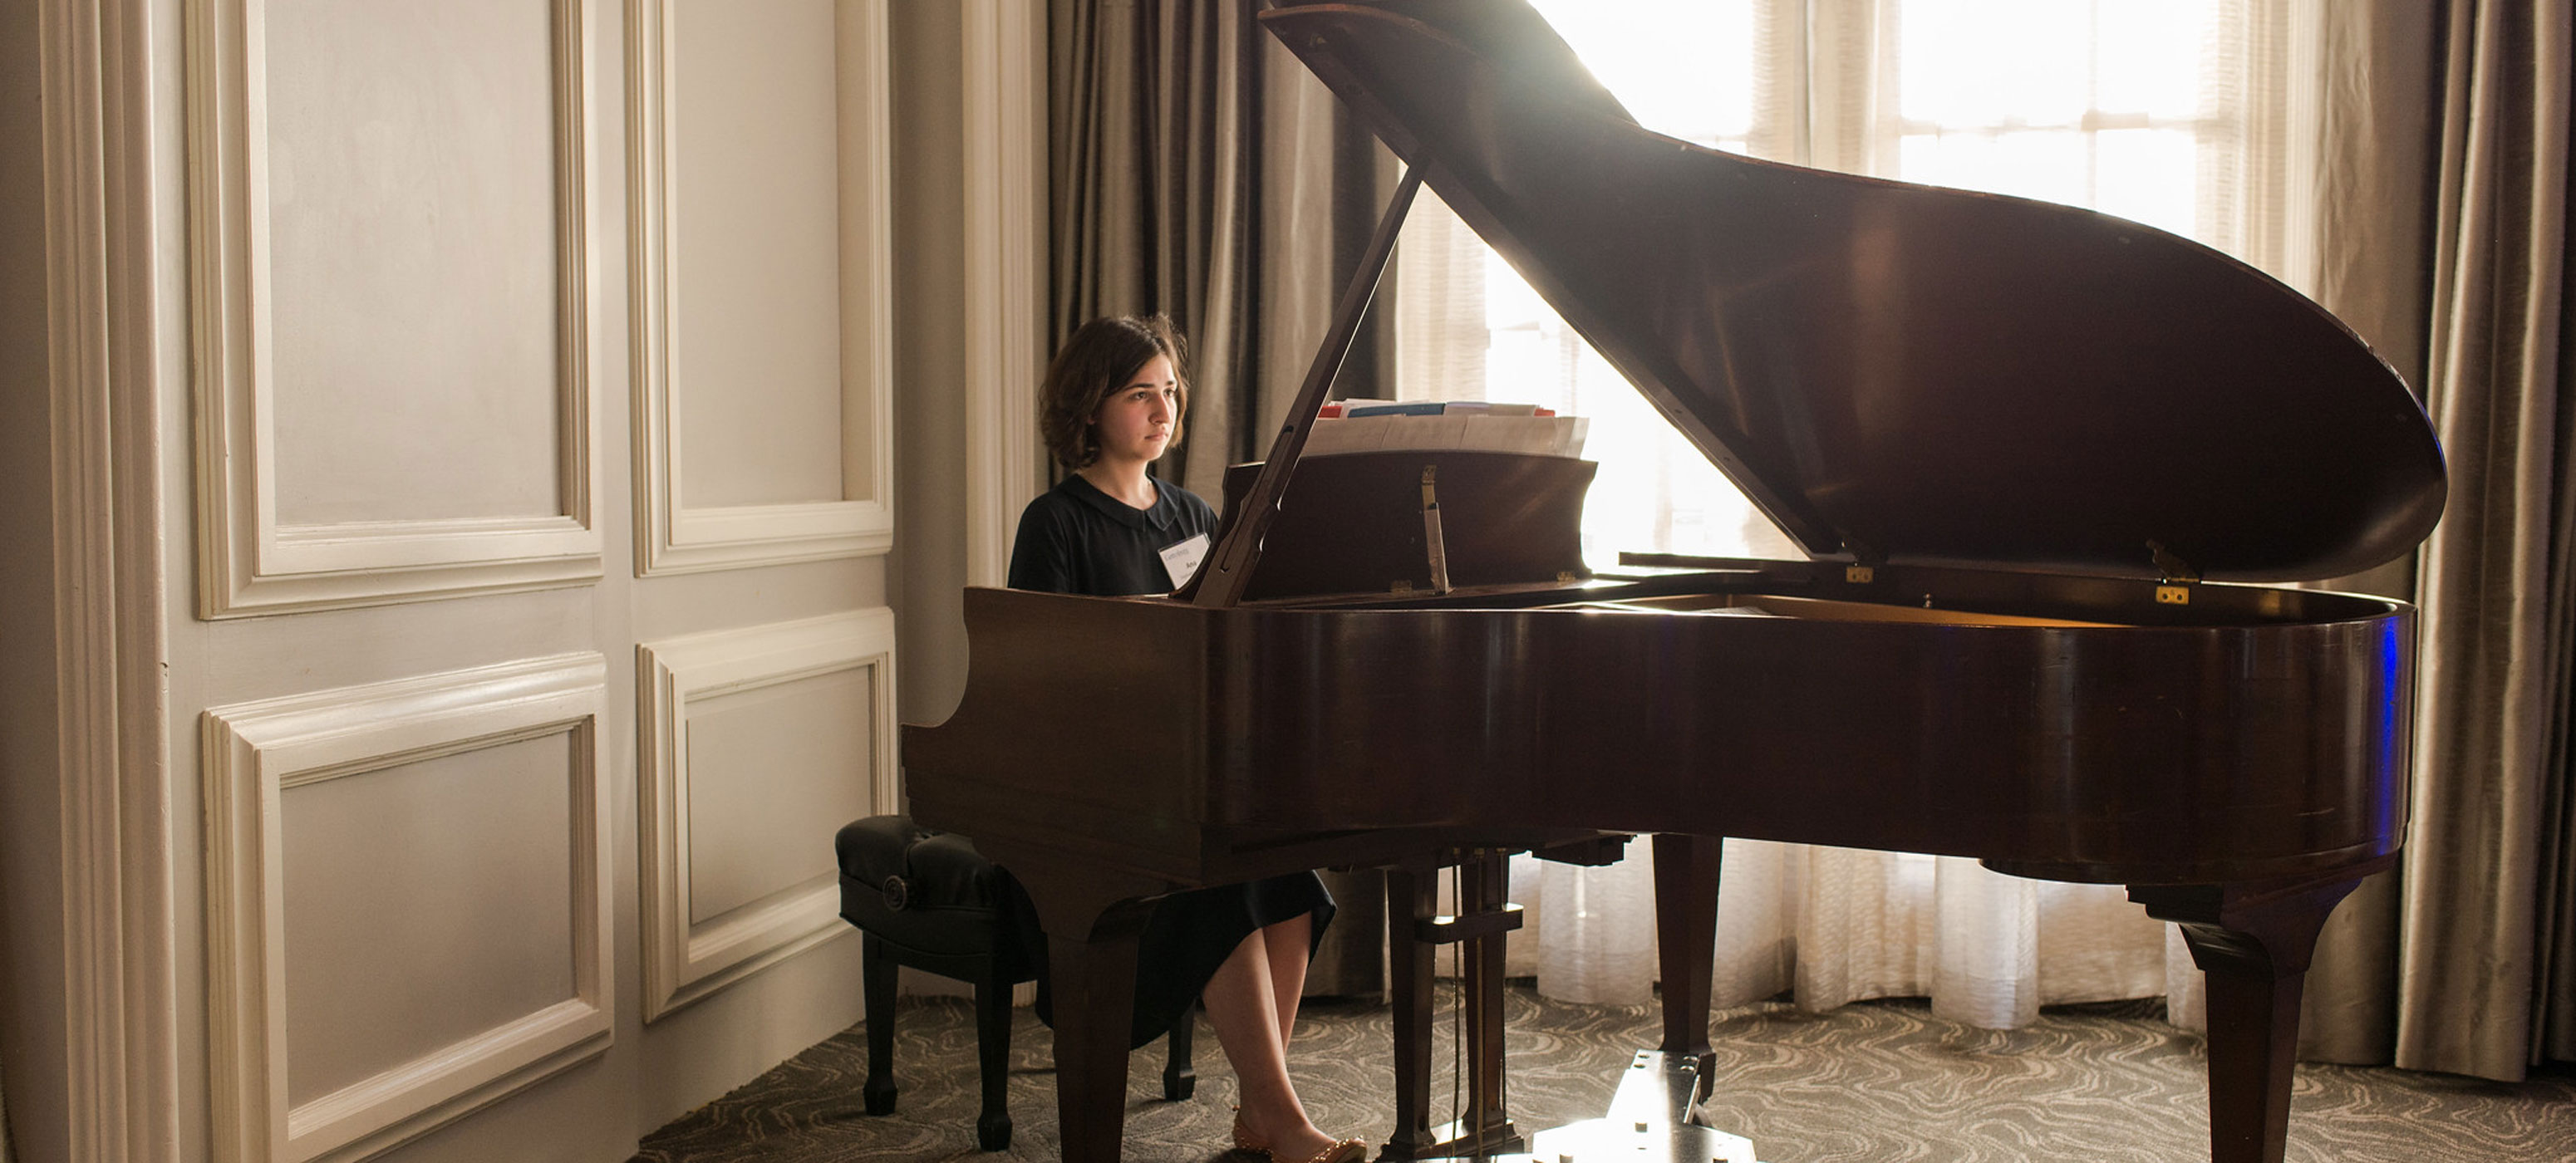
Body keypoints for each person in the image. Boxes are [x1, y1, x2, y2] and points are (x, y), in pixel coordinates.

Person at [1007, 315, 1364, 1163]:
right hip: (1100, 789)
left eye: (1169, 391)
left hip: (1189, 772)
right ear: (1089, 406)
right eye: (1139, 393)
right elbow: (1039, 677)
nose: (1162, 409)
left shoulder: (1195, 515)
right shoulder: (1053, 523)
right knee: (1221, 884)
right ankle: (1280, 1118)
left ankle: (1260, 1109)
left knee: (1293, 883)